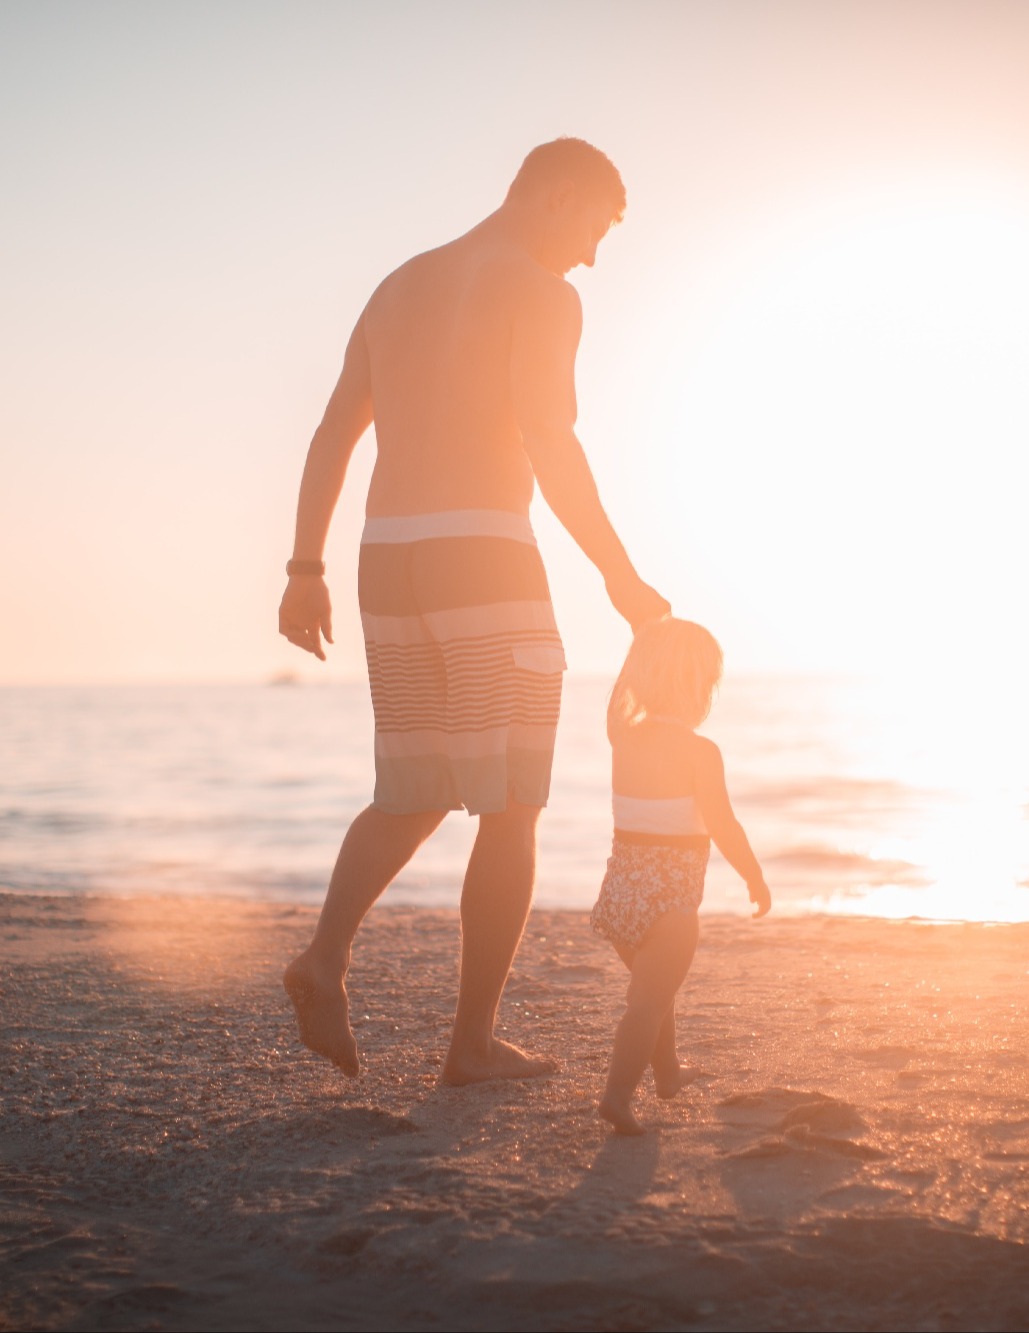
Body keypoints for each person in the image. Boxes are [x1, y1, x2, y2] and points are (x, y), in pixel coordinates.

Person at [279, 138, 669, 1085]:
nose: (590, 256)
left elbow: (336, 429)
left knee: (411, 790)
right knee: (511, 804)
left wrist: (302, 567)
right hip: (485, 556)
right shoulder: (540, 292)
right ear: (557, 196)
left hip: (387, 558)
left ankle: (324, 957)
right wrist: (620, 576)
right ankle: (470, 1046)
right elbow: (549, 439)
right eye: (594, 227)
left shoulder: (399, 284)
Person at [591, 617, 772, 1134]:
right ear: (699, 689)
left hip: (620, 896)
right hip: (670, 900)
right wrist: (753, 875)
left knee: (655, 990)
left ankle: (667, 1073)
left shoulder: (623, 736)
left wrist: (640, 643)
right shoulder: (700, 752)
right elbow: (723, 824)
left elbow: (617, 696)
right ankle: (617, 1096)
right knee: (647, 1003)